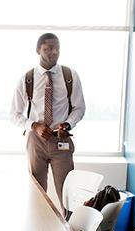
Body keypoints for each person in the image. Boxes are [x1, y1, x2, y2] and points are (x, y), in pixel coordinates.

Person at [9, 33, 86, 212]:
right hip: (36, 142)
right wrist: (34, 126)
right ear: (38, 50)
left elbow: (79, 108)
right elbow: (14, 114)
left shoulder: (70, 76)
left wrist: (67, 124)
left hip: (62, 139)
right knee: (37, 192)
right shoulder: (27, 78)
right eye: (48, 48)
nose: (54, 52)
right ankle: (38, 230)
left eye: (57, 48)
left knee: (67, 194)